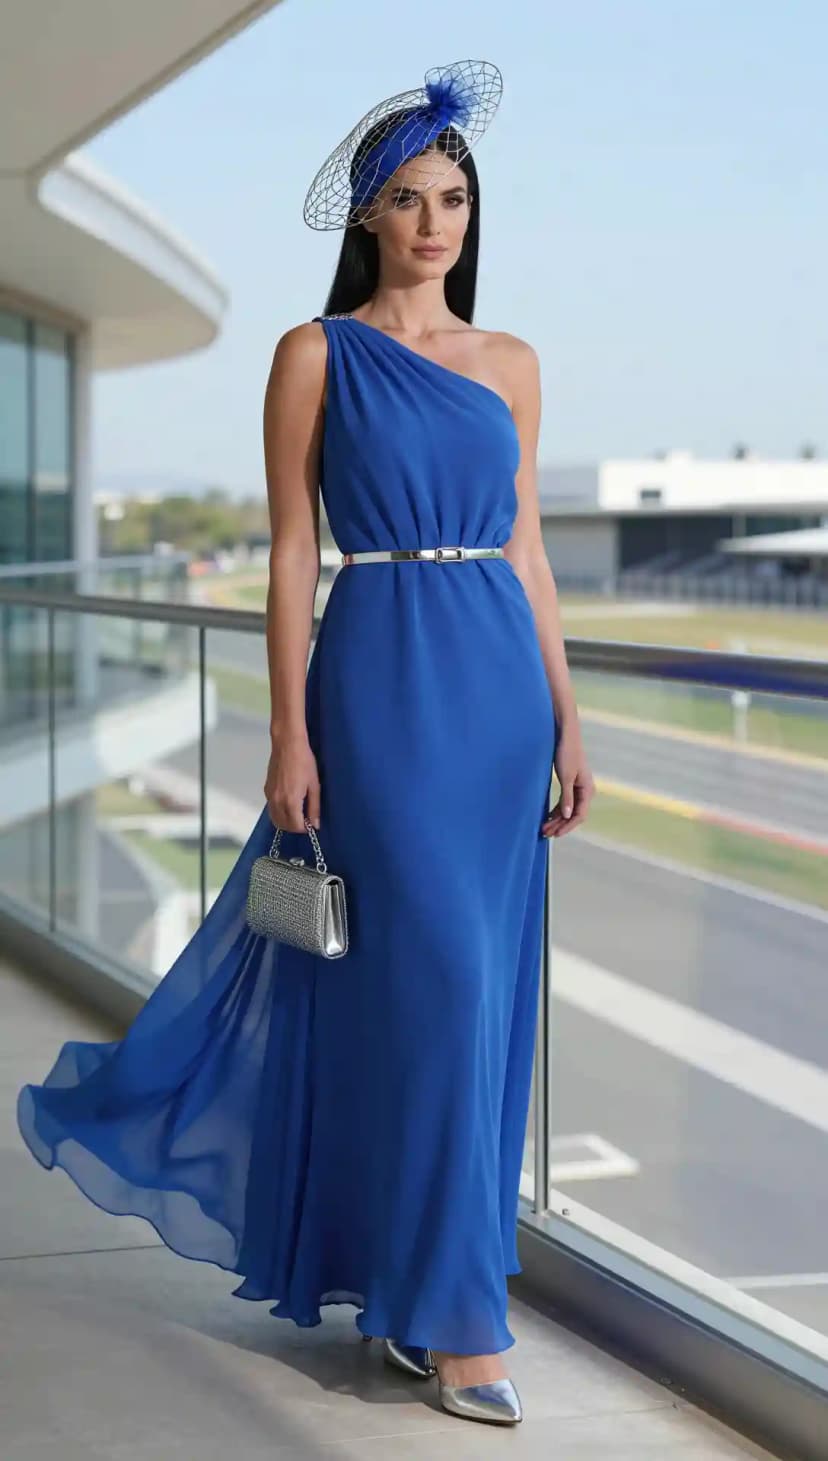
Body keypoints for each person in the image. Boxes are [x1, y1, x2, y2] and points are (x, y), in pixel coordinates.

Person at [17, 60, 594, 1429]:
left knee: (464, 1003)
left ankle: (418, 1290)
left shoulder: (511, 364)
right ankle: (458, 1323)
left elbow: (527, 549)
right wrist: (287, 726)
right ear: (370, 216)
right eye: (408, 198)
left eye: (452, 197)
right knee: (433, 990)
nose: (434, 220)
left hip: (501, 697)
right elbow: (288, 551)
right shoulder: (315, 353)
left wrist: (571, 714)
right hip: (380, 679)